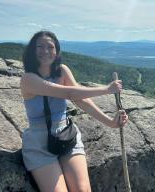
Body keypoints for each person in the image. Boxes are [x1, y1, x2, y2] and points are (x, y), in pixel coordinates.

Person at [20, 30, 129, 192]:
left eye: (50, 47)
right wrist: (107, 89)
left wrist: (111, 123)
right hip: (38, 143)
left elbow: (80, 99)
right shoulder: (28, 79)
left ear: (56, 50)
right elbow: (70, 93)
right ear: (32, 50)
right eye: (40, 46)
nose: (45, 51)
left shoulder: (62, 71)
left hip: (66, 136)